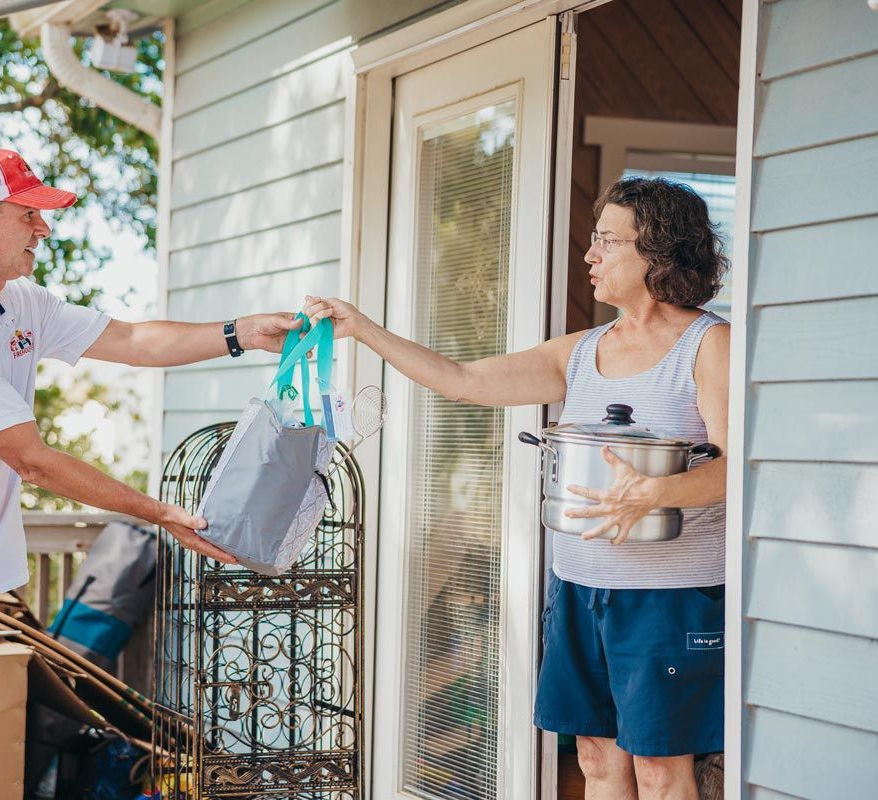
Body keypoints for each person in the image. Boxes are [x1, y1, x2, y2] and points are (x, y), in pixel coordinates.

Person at [0, 146, 303, 800]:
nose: (43, 228)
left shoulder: (19, 304)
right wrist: (161, 513)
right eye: (28, 214)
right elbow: (31, 459)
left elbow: (130, 340)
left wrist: (242, 332)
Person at [303, 176, 730, 799]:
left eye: (608, 241)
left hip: (668, 597)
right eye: (594, 238)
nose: (590, 254)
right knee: (595, 758)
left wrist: (652, 494)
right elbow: (463, 380)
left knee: (661, 768)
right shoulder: (581, 352)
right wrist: (364, 329)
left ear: (658, 251)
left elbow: (732, 470)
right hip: (579, 587)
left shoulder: (709, 344)